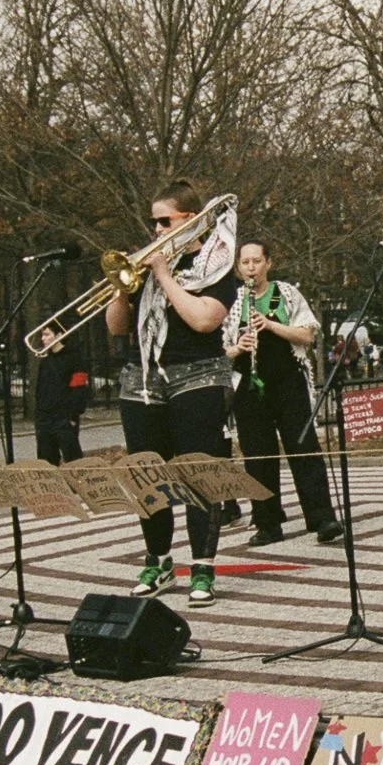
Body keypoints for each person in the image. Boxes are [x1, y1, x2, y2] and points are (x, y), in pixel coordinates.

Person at [103, 180, 240, 606]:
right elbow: (116, 327)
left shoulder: (215, 264)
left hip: (198, 374)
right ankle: (158, 561)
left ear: (190, 219)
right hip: (144, 377)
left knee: (198, 473)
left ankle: (202, 567)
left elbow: (204, 320)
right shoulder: (145, 264)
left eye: (165, 221)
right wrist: (123, 289)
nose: (157, 230)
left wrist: (164, 275)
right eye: (153, 223)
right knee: (147, 473)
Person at [223, 240, 344, 548]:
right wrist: (239, 346)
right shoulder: (233, 301)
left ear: (268, 263)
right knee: (257, 453)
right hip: (250, 384)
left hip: (287, 379)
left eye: (256, 261)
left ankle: (321, 516)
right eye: (245, 262)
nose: (251, 268)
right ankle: (266, 521)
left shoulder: (285, 293)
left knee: (302, 445)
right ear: (238, 267)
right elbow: (220, 349)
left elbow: (306, 334)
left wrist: (271, 325)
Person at [31, 337, 90, 466]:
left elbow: (79, 389)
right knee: (46, 461)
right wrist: (39, 415)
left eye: (47, 334)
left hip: (64, 416)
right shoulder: (45, 359)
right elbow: (41, 389)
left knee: (73, 460)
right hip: (45, 417)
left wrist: (73, 414)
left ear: (58, 335)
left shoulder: (75, 358)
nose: (43, 338)